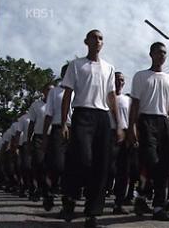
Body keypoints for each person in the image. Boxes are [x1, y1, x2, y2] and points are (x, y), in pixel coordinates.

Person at [60, 29, 124, 228]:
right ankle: (70, 196)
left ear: (103, 43)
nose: (97, 40)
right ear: (86, 41)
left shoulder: (109, 68)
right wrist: (64, 122)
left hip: (102, 117)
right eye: (94, 37)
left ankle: (92, 213)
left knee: (101, 164)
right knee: (83, 159)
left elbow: (111, 97)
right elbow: (67, 94)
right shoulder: (76, 65)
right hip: (82, 115)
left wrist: (119, 124)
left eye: (101, 38)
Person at [128, 42, 169, 221]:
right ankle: (143, 198)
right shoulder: (140, 76)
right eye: (159, 52)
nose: (162, 55)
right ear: (151, 54)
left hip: (164, 123)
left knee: (165, 165)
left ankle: (158, 206)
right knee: (152, 162)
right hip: (146, 121)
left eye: (165, 53)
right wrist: (131, 128)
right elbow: (135, 104)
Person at [41, 64, 72, 211]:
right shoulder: (55, 92)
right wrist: (46, 136)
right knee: (58, 164)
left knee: (72, 166)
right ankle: (50, 190)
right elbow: (48, 114)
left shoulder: (78, 91)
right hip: (58, 128)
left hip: (76, 129)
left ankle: (67, 200)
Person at [107, 71, 132, 214]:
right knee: (108, 169)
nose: (119, 82)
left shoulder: (127, 100)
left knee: (124, 171)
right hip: (108, 135)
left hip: (124, 136)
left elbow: (131, 118)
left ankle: (119, 203)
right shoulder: (106, 97)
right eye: (117, 79)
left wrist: (131, 135)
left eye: (122, 80)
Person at [27, 83, 53, 201]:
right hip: (39, 137)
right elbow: (31, 122)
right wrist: (28, 139)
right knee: (38, 162)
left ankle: (49, 188)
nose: (50, 92)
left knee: (52, 164)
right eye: (48, 90)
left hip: (53, 137)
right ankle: (41, 188)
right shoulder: (36, 105)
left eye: (52, 90)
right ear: (43, 91)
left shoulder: (58, 104)